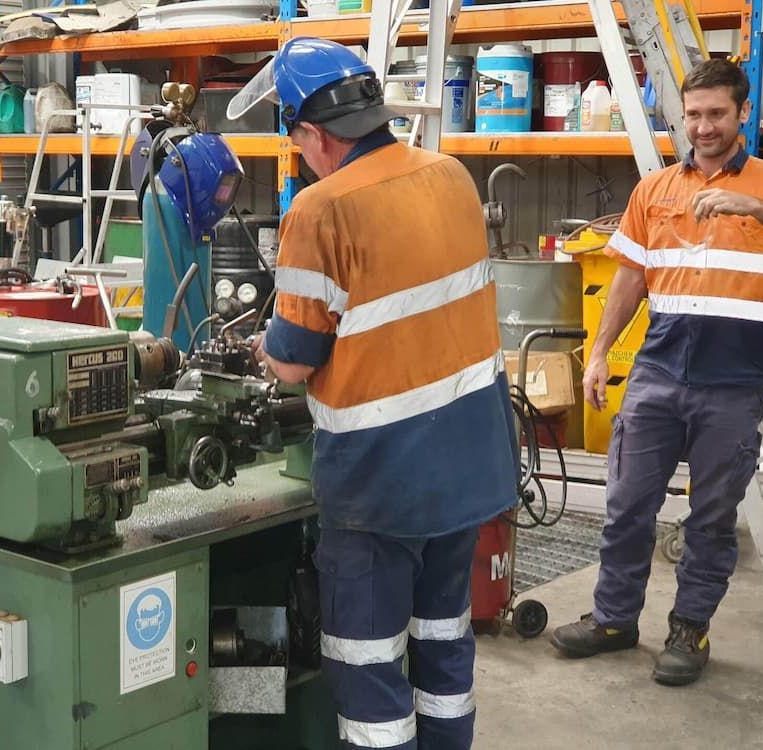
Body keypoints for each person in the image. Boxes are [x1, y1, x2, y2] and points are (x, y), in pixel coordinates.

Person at [228, 37, 519, 750]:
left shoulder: (319, 210)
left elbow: (293, 362)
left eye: (297, 142)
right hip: (471, 466)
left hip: (383, 485)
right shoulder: (452, 175)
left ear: (313, 134)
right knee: (442, 645)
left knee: (367, 665)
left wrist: (265, 350)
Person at [551, 58, 763, 686]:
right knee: (626, 505)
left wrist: (754, 209)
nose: (703, 127)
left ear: (742, 114)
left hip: (732, 384)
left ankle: (690, 628)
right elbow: (628, 277)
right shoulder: (652, 190)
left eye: (716, 114)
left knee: (711, 515)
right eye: (693, 114)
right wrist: (599, 353)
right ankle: (613, 619)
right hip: (658, 371)